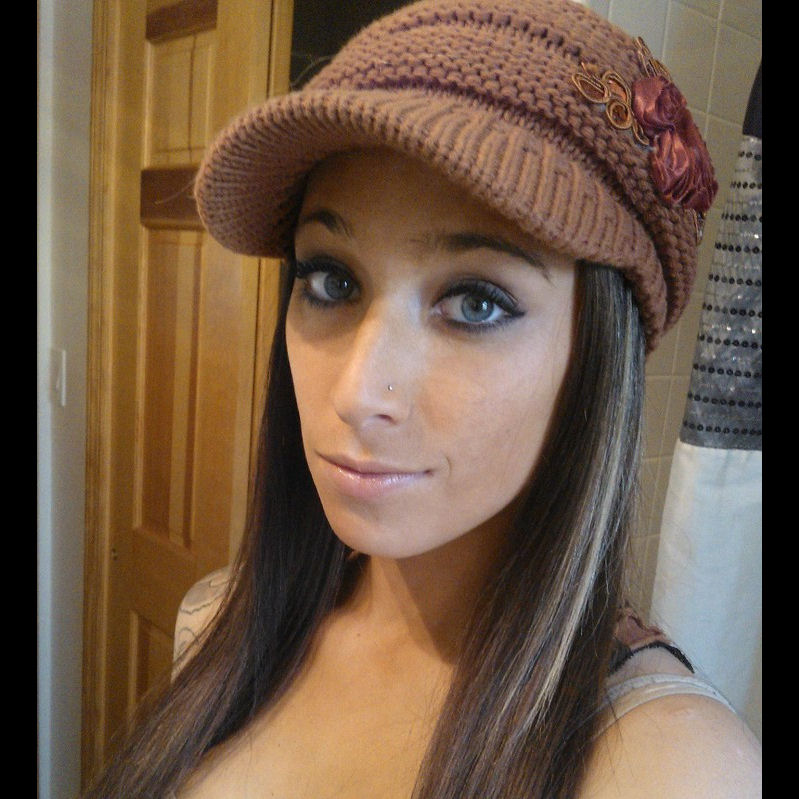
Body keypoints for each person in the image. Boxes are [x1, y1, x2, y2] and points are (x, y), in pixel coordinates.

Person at [85, 1, 762, 796]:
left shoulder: (665, 764)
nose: (357, 391)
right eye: (331, 281)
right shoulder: (217, 626)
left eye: (475, 302)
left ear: (596, 355)